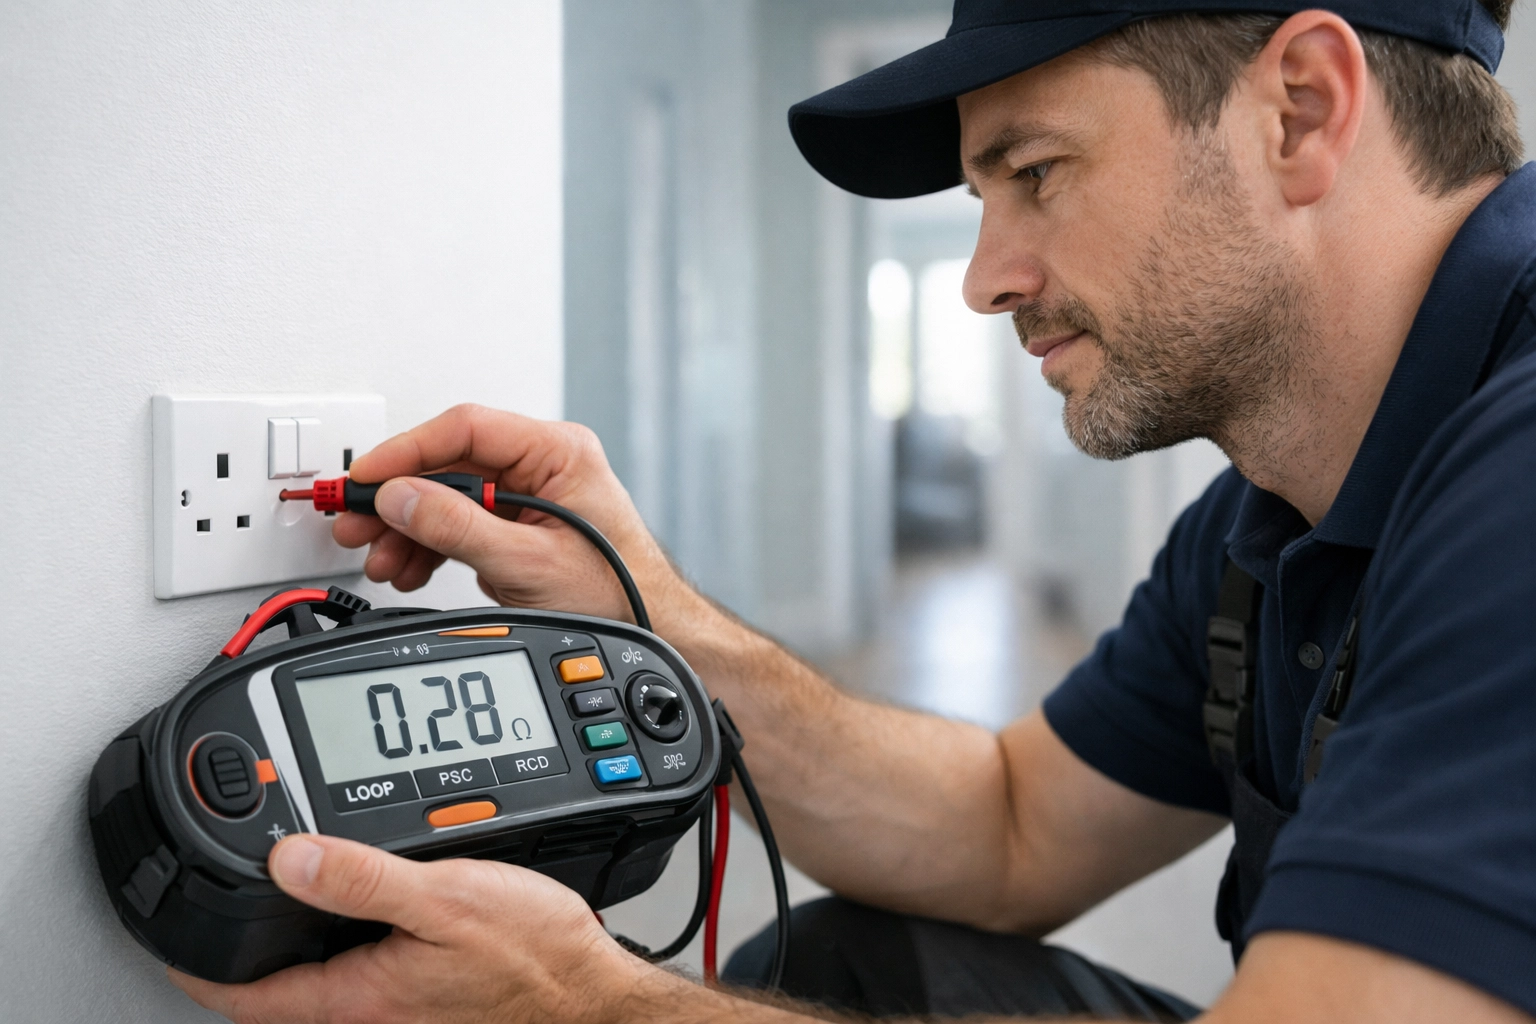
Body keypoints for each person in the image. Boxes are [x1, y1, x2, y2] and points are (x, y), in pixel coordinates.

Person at [173, 1, 1536, 1021]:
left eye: (1036, 171)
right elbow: (1009, 829)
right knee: (855, 962)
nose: (986, 280)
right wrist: (647, 610)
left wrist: (584, 999)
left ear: (1299, 108)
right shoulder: (1271, 521)